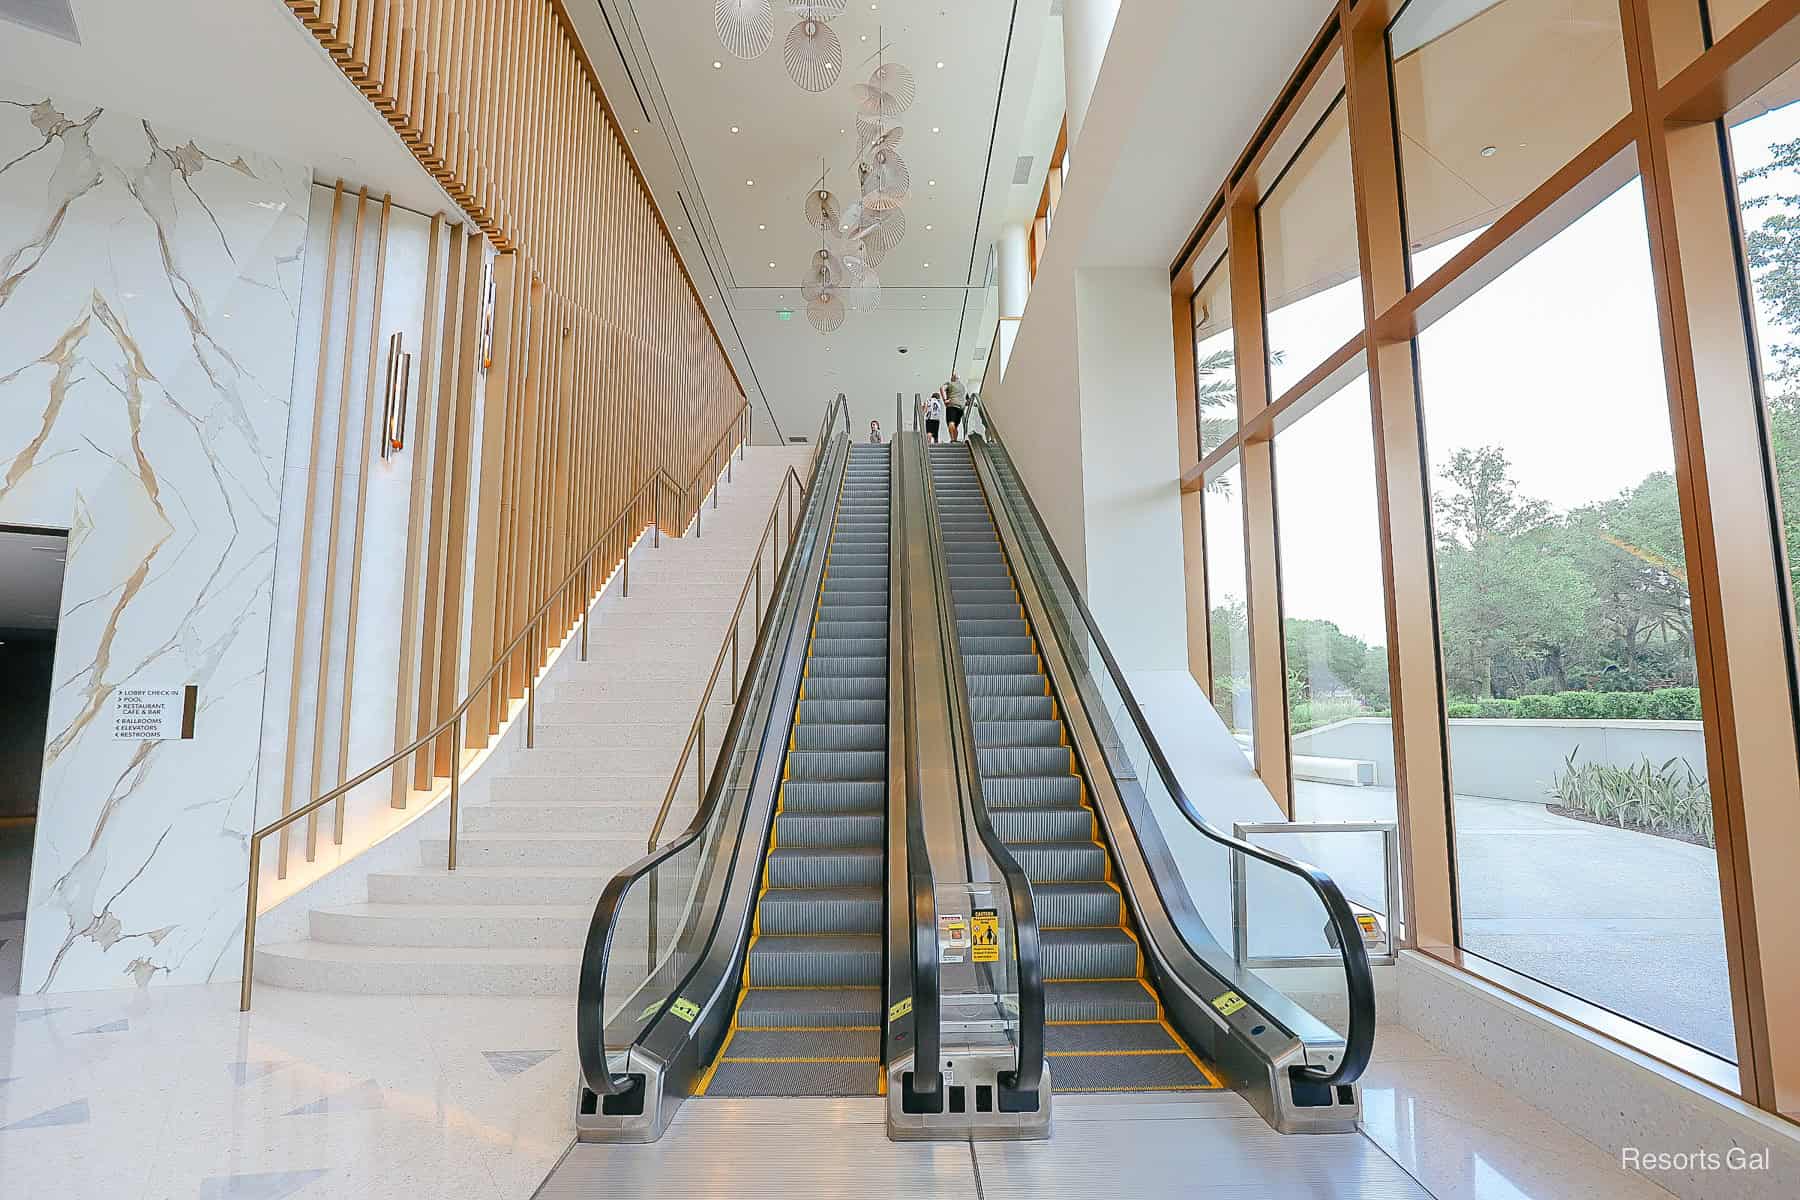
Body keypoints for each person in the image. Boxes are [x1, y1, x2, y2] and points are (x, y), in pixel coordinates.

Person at [944, 372, 966, 443]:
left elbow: (942, 388)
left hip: (952, 405)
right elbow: (966, 397)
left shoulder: (950, 384)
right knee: (956, 426)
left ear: (953, 378)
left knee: (951, 423)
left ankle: (953, 439)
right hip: (961, 408)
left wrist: (945, 400)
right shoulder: (963, 387)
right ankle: (955, 440)